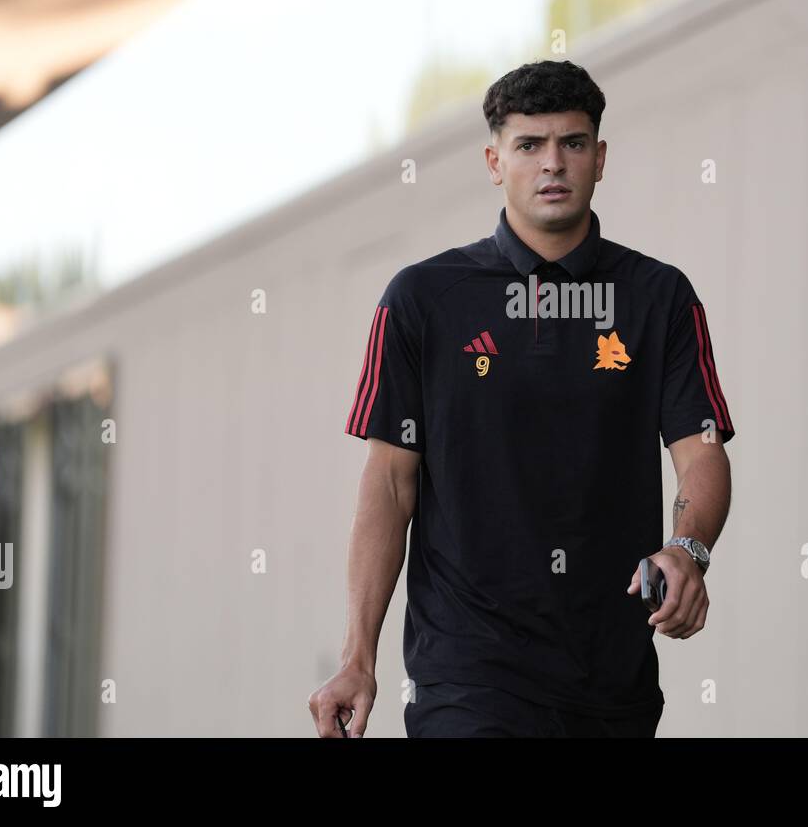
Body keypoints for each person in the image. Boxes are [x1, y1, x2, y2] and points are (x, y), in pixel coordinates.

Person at [308, 59, 735, 738]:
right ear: (493, 160)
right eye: (529, 145)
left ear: (600, 158)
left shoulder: (660, 298)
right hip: (467, 673)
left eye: (571, 143)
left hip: (611, 679)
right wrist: (357, 658)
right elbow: (390, 484)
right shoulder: (423, 301)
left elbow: (701, 451)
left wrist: (687, 549)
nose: (552, 164)